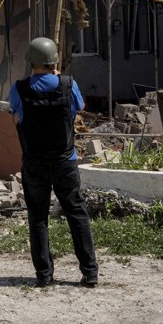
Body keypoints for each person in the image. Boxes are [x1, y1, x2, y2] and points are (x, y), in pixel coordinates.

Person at [9, 36, 99, 287]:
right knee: (76, 213)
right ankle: (90, 272)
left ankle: (44, 275)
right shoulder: (68, 85)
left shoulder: (18, 89)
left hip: (34, 163)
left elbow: (15, 118)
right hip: (64, 161)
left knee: (38, 217)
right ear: (54, 62)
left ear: (30, 62)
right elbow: (80, 107)